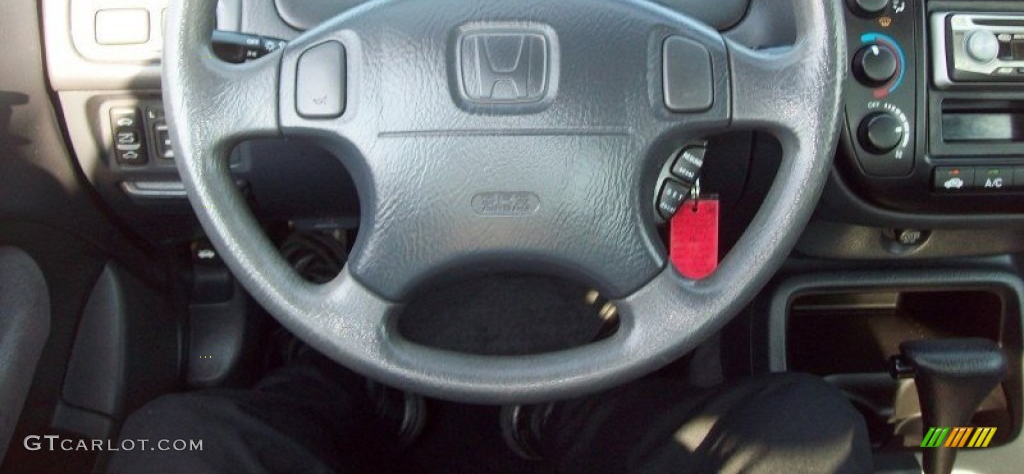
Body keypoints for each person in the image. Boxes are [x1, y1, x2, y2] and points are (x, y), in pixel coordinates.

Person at [107, 350, 872, 473]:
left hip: (352, 402)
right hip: (578, 406)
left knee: (170, 443)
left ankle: (378, 388)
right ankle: (540, 413)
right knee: (807, 426)